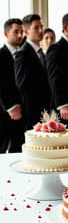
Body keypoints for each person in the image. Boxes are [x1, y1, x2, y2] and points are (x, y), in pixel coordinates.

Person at [15, 14, 51, 131]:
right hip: (31, 111)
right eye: (36, 27)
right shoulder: (22, 53)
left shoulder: (40, 52)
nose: (41, 30)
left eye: (41, 26)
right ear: (26, 31)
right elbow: (22, 85)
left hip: (44, 109)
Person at [0, 18, 24, 152]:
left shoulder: (22, 55)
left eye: (21, 31)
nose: (20, 35)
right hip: (4, 112)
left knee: (18, 150)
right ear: (6, 33)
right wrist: (9, 107)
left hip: (21, 112)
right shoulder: (0, 54)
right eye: (16, 32)